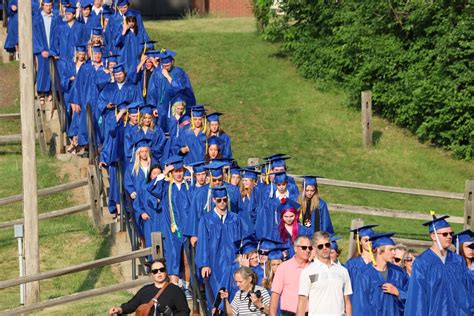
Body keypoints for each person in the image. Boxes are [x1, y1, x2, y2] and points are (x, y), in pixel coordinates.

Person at [404, 214, 474, 315]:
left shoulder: (457, 260)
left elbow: (467, 290)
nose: (449, 237)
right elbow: (417, 298)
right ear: (433, 236)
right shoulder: (422, 262)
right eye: (445, 234)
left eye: (451, 233)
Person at [195, 185, 247, 309]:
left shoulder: (235, 218)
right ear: (213, 200)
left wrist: (242, 257)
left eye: (224, 199)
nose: (222, 202)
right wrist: (204, 264)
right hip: (214, 263)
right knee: (216, 294)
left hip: (233, 263)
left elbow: (243, 241)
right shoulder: (206, 220)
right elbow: (202, 244)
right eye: (219, 200)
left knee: (234, 293)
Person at [351, 232, 408, 316]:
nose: (394, 253)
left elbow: (412, 297)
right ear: (378, 250)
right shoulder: (365, 275)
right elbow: (360, 307)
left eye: (394, 250)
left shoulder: (399, 273)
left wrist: (398, 292)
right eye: (390, 249)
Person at [297, 231, 352, 316]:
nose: (324, 248)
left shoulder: (342, 271)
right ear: (314, 248)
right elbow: (302, 302)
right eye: (320, 246)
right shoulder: (307, 272)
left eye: (327, 245)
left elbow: (347, 301)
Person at [108, 258, 190, 315]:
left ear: (165, 272)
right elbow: (131, 305)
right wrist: (119, 309)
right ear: (151, 274)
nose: (159, 273)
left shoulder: (175, 290)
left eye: (161, 270)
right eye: (155, 271)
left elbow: (184, 311)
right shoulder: (145, 291)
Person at [270, 235, 311, 316]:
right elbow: (275, 295)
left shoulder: (314, 268)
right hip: (289, 313)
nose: (307, 250)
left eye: (310, 248)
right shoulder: (284, 267)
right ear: (295, 248)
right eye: (304, 247)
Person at [33, 0, 60, 105]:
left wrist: (54, 50)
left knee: (52, 71)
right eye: (46, 5)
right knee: (42, 70)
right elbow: (35, 36)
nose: (48, 7)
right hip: (42, 49)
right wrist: (40, 50)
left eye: (50, 5)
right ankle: (41, 93)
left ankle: (50, 91)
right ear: (42, 5)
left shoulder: (56, 18)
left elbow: (59, 35)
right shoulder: (37, 19)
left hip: (53, 49)